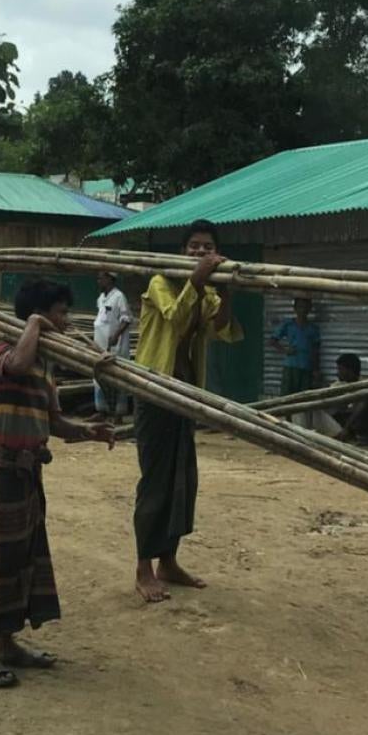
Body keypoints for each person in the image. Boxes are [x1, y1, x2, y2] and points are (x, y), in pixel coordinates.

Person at [0, 278, 115, 689]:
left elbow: (54, 424)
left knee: (23, 556)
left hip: (29, 468)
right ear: (38, 315)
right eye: (60, 313)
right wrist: (33, 323)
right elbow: (15, 365)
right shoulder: (6, 349)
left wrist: (90, 431)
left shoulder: (45, 366)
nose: (66, 321)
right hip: (0, 467)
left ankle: (6, 642)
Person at [133, 219, 243, 604]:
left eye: (206, 247)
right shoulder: (160, 283)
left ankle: (169, 560)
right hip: (152, 389)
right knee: (155, 481)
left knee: (182, 480)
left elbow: (222, 329)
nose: (199, 252)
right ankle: (143, 568)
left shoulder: (207, 290)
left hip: (185, 393)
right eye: (193, 246)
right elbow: (178, 320)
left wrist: (225, 293)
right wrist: (196, 281)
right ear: (183, 251)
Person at [92, 270, 132, 418]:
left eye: (101, 278)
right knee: (99, 375)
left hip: (115, 345)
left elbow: (126, 319)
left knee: (116, 376)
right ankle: (102, 410)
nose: (99, 281)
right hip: (100, 343)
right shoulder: (101, 298)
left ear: (110, 279)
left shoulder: (119, 296)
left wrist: (116, 335)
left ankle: (118, 413)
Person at [270, 297, 322, 396]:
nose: (303, 310)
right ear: (295, 308)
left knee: (304, 397)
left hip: (306, 367)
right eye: (300, 307)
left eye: (306, 307)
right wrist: (285, 350)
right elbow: (272, 341)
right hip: (291, 366)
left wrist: (316, 369)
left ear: (309, 309)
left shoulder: (313, 328)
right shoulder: (288, 324)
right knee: (286, 397)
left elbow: (316, 350)